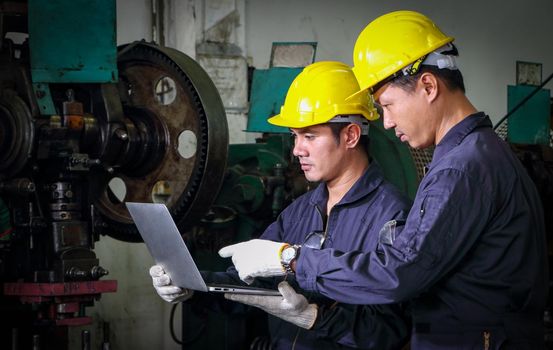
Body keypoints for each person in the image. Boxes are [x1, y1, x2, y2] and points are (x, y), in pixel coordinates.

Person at [218, 10, 548, 350]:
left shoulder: (459, 169)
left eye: (387, 105)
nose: (386, 122)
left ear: (428, 86)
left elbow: (400, 273)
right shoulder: (482, 152)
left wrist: (292, 259)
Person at [150, 61, 413, 349]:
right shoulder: (300, 211)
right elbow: (251, 282)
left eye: (310, 136)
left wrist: (313, 317)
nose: (298, 150)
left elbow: (391, 330)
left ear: (350, 135)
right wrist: (192, 285)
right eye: (295, 136)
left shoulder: (392, 215)